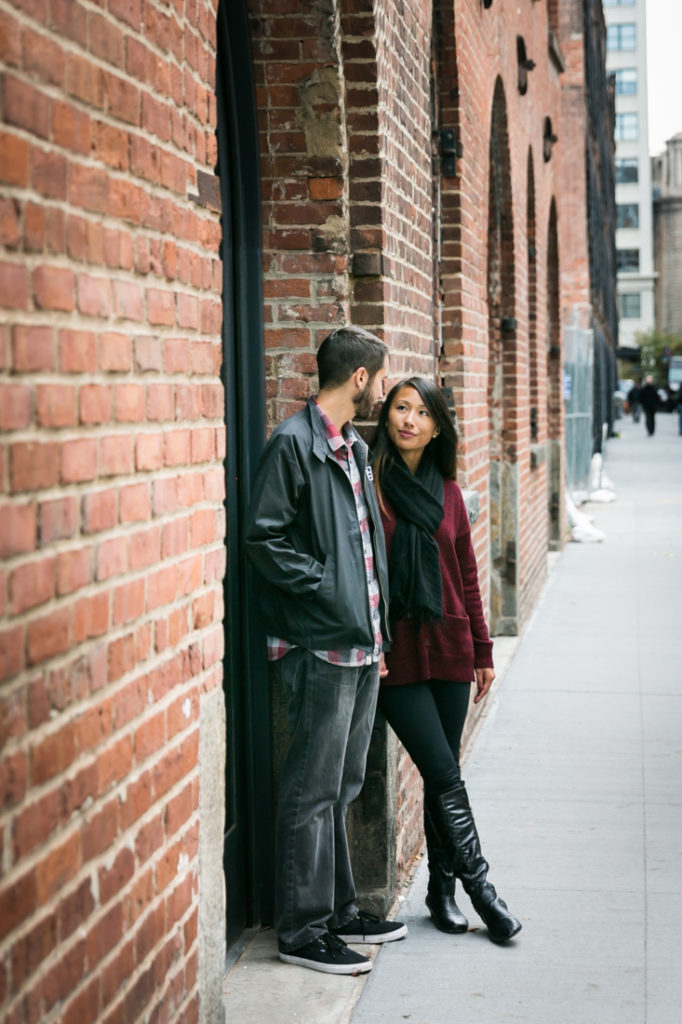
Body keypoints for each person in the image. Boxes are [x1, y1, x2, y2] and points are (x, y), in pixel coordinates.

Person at [245, 326, 406, 975]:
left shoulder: (355, 450)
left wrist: (376, 631)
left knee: (341, 784)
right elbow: (264, 539)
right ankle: (302, 928)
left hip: (361, 645)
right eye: (381, 380)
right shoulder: (293, 445)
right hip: (319, 645)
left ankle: (337, 909)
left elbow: (367, 547)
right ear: (360, 379)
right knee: (311, 789)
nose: (383, 394)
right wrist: (330, 591)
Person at [372, 377, 521, 944]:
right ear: (388, 417)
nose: (408, 419)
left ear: (437, 427)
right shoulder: (370, 486)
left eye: (420, 412)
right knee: (443, 771)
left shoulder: (450, 493)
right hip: (398, 657)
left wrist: (483, 651)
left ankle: (441, 890)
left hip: (452, 649)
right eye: (400, 408)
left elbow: (465, 578)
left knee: (442, 779)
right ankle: (482, 889)